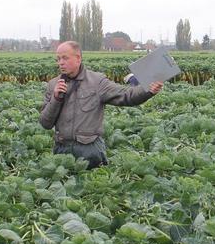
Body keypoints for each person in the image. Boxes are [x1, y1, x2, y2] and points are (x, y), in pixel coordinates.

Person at [39, 41, 163, 169]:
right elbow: (45, 123)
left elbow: (126, 95)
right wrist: (55, 98)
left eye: (65, 58)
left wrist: (148, 90)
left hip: (90, 152)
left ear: (78, 58)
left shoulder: (97, 82)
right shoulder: (53, 85)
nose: (60, 63)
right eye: (58, 59)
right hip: (62, 152)